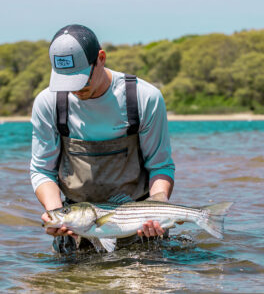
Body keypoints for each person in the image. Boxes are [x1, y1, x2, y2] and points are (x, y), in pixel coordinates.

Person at [30, 24, 175, 253]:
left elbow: (160, 165)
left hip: (138, 225)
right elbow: (42, 171)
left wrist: (158, 208)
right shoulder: (48, 103)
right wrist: (56, 215)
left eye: (80, 80)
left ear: (101, 58)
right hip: (76, 229)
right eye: (64, 81)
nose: (74, 90)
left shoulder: (144, 98)